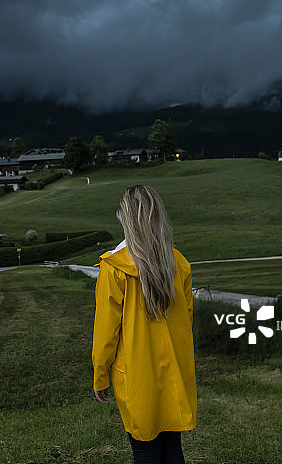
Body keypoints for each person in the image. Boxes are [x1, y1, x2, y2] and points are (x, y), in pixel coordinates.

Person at [92, 185, 196, 464]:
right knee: (173, 447)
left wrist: (100, 375)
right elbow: (187, 319)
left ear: (126, 219)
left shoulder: (114, 268)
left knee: (145, 451)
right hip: (174, 370)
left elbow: (106, 334)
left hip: (136, 377)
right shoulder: (179, 263)